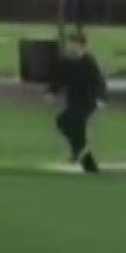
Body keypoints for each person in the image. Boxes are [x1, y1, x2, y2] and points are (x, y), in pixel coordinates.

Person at [46, 30, 106, 173]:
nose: (69, 47)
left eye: (73, 44)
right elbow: (57, 79)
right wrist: (51, 92)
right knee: (66, 125)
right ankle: (85, 160)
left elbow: (99, 82)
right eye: (68, 44)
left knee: (68, 121)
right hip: (73, 100)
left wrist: (100, 98)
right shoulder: (64, 61)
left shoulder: (89, 62)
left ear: (81, 46)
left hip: (88, 101)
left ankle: (83, 159)